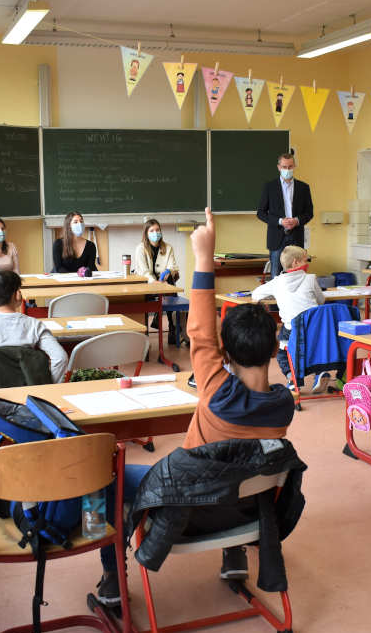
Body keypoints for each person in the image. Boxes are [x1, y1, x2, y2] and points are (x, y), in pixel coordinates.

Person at [94, 208, 296, 605]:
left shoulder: (217, 390)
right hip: (245, 513)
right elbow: (204, 335)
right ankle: (234, 551)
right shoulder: (284, 406)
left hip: (186, 509)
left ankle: (113, 581)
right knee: (242, 465)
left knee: (109, 477)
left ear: (224, 354)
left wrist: (204, 257)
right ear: (275, 348)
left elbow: (200, 331)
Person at [0, 270, 68, 383]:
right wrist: (47, 386)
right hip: (27, 393)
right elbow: (60, 357)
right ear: (17, 294)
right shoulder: (34, 325)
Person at [251, 245, 325, 391]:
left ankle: (292, 379)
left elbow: (255, 295)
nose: (308, 263)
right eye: (305, 260)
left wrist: (275, 293)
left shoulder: (277, 282)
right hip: (315, 328)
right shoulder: (310, 278)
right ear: (296, 262)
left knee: (282, 352)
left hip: (292, 329)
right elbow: (321, 300)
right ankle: (321, 372)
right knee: (315, 347)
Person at [256, 152, 314, 279]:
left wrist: (297, 221)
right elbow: (261, 213)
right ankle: (278, 300)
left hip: (296, 238)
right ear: (279, 167)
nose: (287, 170)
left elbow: (309, 212)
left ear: (294, 167)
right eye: (284, 167)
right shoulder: (269, 187)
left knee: (298, 276)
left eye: (290, 167)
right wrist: (280, 221)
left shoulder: (303, 188)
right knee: (276, 275)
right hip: (277, 238)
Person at [133, 219, 182, 344]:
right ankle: (169, 324)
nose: (155, 233)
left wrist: (168, 272)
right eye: (152, 230)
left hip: (164, 284)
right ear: (146, 233)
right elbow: (143, 272)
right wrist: (154, 283)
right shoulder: (140, 248)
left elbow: (173, 267)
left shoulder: (168, 248)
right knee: (165, 289)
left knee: (170, 281)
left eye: (157, 230)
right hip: (147, 285)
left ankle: (171, 325)